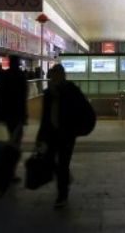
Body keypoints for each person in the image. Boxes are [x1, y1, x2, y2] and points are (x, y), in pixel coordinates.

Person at [37, 64, 91, 208]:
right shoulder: (48, 93)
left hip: (66, 134)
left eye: (56, 74)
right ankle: (65, 177)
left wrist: (78, 128)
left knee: (62, 163)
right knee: (49, 159)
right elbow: (45, 116)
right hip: (51, 133)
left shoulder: (71, 90)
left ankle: (62, 195)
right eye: (52, 75)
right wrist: (41, 136)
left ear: (62, 75)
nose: (53, 77)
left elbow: (84, 108)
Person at [0, 55, 28, 146]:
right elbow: (23, 96)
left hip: (7, 109)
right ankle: (13, 151)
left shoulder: (4, 75)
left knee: (12, 131)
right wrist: (24, 115)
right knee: (18, 134)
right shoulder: (21, 76)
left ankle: (12, 149)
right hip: (18, 110)